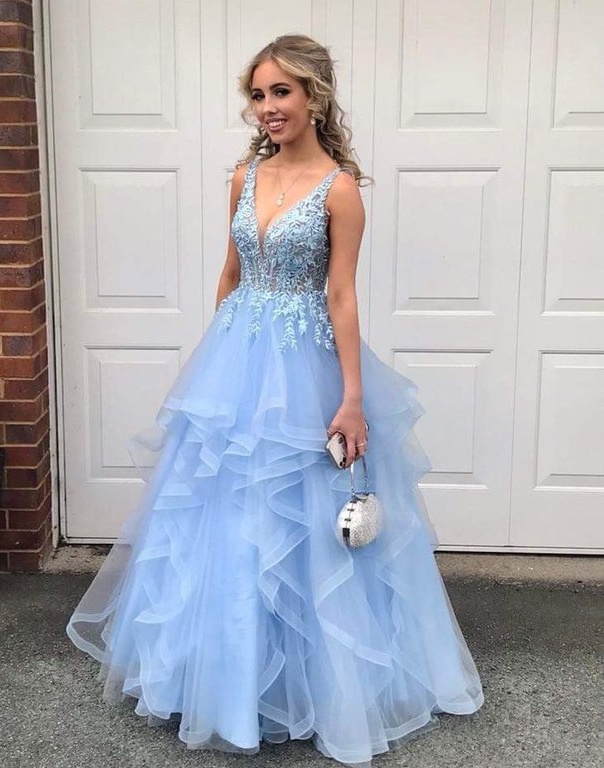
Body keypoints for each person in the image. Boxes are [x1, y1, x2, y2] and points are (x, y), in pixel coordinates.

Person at [66, 34, 484, 768]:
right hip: (237, 358)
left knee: (301, 522)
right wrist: (215, 365)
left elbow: (342, 295)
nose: (267, 107)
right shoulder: (244, 177)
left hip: (304, 365)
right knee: (223, 518)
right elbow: (230, 274)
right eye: (257, 95)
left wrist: (351, 400)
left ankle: (319, 688)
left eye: (281, 92)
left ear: (314, 97)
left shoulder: (341, 190)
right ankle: (225, 684)